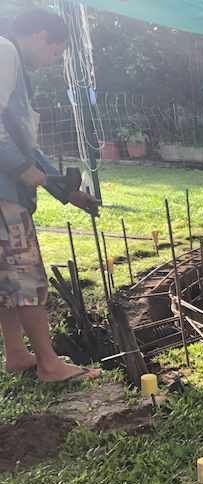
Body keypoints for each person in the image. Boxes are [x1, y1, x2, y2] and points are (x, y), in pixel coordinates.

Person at [0, 9, 99, 382]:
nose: (53, 60)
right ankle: (49, 363)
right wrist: (24, 172)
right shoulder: (5, 52)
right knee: (25, 274)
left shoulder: (14, 68)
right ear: (42, 35)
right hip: (4, 191)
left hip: (7, 188)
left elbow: (26, 144)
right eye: (57, 51)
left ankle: (16, 353)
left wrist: (65, 190)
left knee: (6, 276)